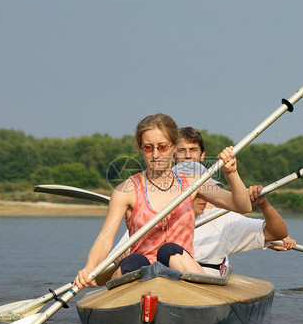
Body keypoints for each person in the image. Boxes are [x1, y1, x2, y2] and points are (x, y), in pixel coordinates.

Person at [73, 114, 252, 289]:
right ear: (140, 148)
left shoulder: (193, 182)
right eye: (148, 148)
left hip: (181, 272)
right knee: (135, 261)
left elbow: (243, 206)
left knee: (169, 251)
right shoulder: (125, 191)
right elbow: (105, 239)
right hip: (139, 276)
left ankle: (203, 289)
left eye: (163, 147)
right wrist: (89, 267)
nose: (156, 154)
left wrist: (231, 174)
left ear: (174, 147)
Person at [109, 127, 295, 278]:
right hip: (159, 282)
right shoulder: (151, 219)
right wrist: (119, 261)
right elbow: (102, 275)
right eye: (181, 150)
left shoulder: (223, 218)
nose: (202, 197)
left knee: (168, 251)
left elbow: (277, 232)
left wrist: (263, 205)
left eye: (204, 191)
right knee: (136, 261)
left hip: (205, 285)